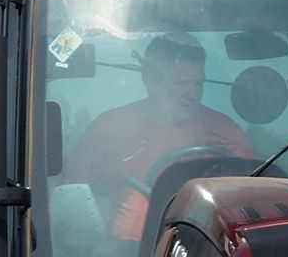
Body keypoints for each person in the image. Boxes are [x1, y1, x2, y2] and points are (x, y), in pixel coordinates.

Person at [69, 33, 253, 238]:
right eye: (181, 83)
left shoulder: (226, 133)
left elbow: (252, 200)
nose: (192, 94)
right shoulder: (110, 129)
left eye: (198, 84)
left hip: (206, 247)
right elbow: (69, 197)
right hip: (128, 250)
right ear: (150, 80)